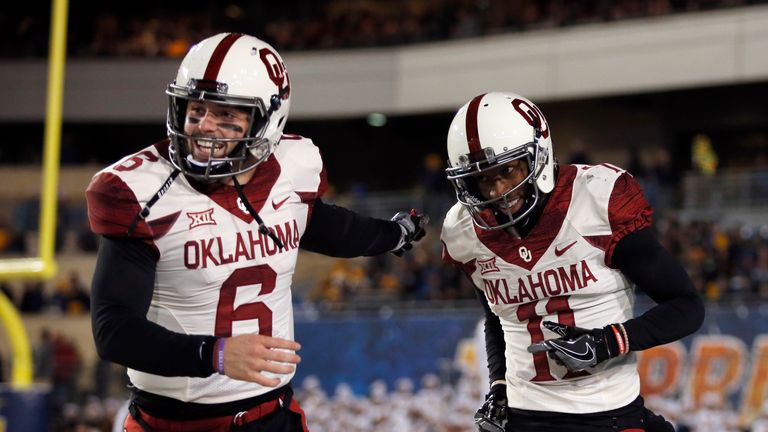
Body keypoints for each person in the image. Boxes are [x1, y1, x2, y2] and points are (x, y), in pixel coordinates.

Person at [85, 32, 427, 432]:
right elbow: (114, 330)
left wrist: (394, 235)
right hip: (171, 422)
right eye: (196, 110)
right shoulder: (142, 193)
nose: (203, 128)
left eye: (226, 115)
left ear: (269, 119)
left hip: (272, 416)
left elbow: (326, 227)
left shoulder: (290, 170)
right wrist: (213, 354)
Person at [439, 92, 704, 432]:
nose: (496, 191)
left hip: (608, 413)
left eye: (507, 170)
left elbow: (687, 306)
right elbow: (497, 318)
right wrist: (499, 387)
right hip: (525, 418)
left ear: (539, 154)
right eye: (483, 179)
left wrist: (606, 342)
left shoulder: (596, 200)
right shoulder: (465, 230)